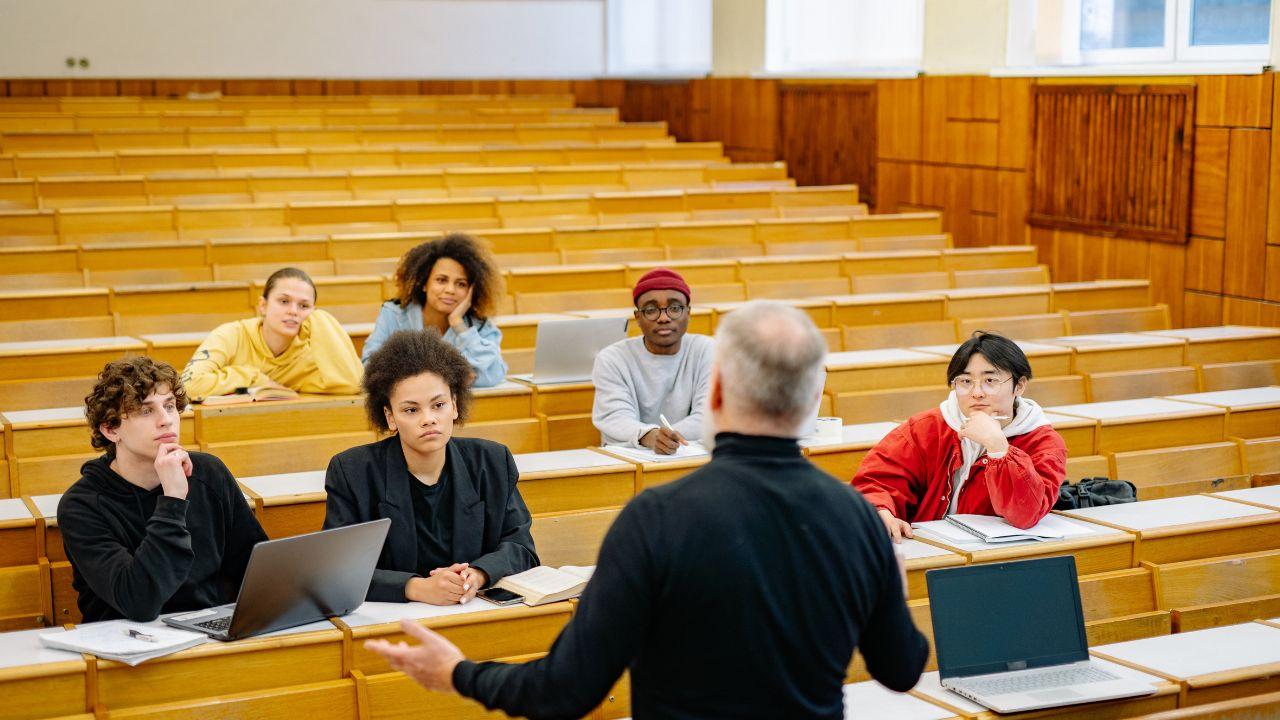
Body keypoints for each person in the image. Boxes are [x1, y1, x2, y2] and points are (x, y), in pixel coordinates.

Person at [365, 301, 929, 719]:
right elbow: (901, 670)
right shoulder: (857, 518)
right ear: (811, 400)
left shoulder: (657, 519)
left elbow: (567, 689)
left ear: (713, 396)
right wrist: (889, 581)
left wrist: (458, 674)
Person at [323, 329, 537, 605]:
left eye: (438, 405)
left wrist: (478, 574)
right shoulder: (352, 472)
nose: (429, 419)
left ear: (455, 406)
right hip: (392, 622)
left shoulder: (492, 461)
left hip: (471, 608)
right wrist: (415, 588)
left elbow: (521, 547)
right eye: (412, 410)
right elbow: (338, 570)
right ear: (390, 416)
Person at [58, 357, 267, 623]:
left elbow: (256, 569)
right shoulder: (81, 506)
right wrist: (172, 501)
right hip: (126, 646)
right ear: (111, 429)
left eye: (169, 406)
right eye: (146, 411)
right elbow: (140, 602)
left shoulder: (208, 474)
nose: (166, 420)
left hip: (208, 634)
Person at [853, 331, 1067, 542]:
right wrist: (880, 510)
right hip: (928, 549)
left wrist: (999, 448)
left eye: (990, 380)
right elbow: (876, 481)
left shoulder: (1044, 443)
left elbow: (1026, 514)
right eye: (965, 381)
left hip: (998, 559)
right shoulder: (926, 428)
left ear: (1019, 386)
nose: (977, 392)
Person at [181, 267, 363, 401]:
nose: (293, 311)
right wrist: (255, 378)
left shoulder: (310, 356)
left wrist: (320, 319)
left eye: (304, 306)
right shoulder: (231, 335)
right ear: (263, 305)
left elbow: (353, 385)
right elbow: (190, 385)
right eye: (284, 301)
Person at [591, 267, 713, 454]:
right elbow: (614, 417)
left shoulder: (709, 351)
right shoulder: (612, 359)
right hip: (631, 457)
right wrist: (650, 436)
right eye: (651, 310)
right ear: (638, 317)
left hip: (691, 455)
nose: (664, 318)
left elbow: (710, 414)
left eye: (674, 308)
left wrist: (668, 438)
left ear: (688, 313)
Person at [361, 234, 507, 388]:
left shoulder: (480, 326)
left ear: (472, 291)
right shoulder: (394, 314)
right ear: (424, 283)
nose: (450, 290)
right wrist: (450, 375)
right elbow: (369, 366)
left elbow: (494, 374)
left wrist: (458, 324)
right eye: (441, 280)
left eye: (461, 284)